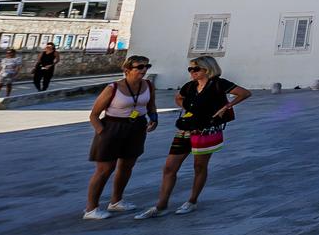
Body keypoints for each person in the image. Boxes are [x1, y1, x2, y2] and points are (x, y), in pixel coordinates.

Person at [135, 55, 250, 219]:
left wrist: (227, 106)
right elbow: (178, 97)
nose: (192, 72)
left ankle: (192, 200)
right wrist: (189, 107)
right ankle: (161, 205)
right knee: (169, 167)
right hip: (185, 129)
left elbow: (244, 93)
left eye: (196, 69)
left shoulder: (218, 84)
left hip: (206, 130)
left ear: (207, 69)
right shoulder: (190, 86)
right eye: (190, 69)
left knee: (199, 166)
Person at [84, 54, 157, 219]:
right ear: (127, 70)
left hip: (136, 127)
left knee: (126, 166)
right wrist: (103, 133)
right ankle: (91, 208)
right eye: (139, 67)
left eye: (147, 66)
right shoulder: (113, 88)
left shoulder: (148, 86)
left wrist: (154, 119)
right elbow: (94, 115)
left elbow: (151, 105)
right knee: (105, 169)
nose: (144, 70)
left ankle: (116, 201)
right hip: (113, 126)